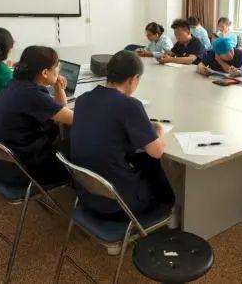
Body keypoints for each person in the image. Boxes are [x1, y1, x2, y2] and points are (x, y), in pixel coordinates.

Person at [70, 51, 175, 226]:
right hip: (118, 204)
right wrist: (158, 130)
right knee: (152, 165)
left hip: (86, 195)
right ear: (133, 79)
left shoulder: (82, 100)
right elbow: (157, 152)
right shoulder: (130, 105)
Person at [0, 46, 74, 186]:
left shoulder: (17, 84)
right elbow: (75, 119)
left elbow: (61, 110)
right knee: (80, 146)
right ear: (45, 72)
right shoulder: (32, 95)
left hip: (3, 166)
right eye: (57, 66)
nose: (59, 70)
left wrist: (58, 87)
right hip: (25, 171)